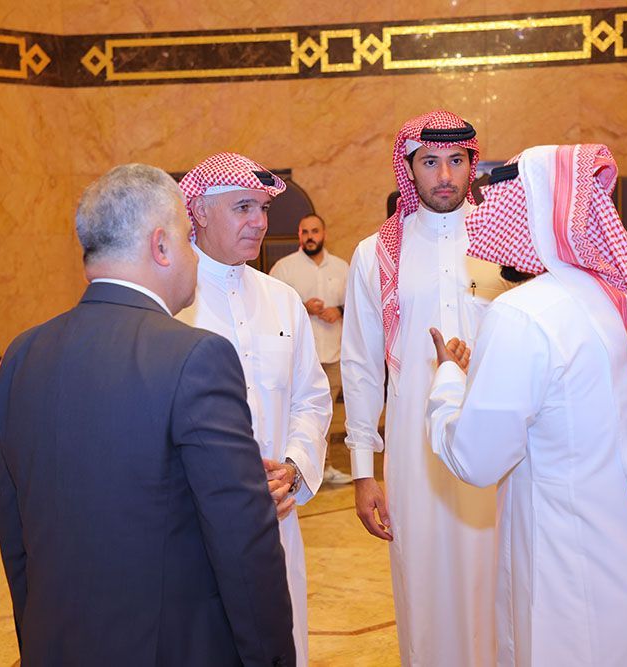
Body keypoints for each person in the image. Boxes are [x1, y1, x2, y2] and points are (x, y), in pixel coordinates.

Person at [427, 144, 627, 666]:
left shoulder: (522, 314)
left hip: (576, 577)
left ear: (531, 217)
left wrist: (450, 383)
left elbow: (475, 460)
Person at [0, 164, 296, 666]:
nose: (194, 258)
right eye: (186, 239)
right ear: (161, 246)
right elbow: (242, 542)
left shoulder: (21, 355)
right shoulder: (197, 356)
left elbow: (16, 534)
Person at [341, 110, 510, 665]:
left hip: (498, 444)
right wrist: (364, 473)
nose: (445, 175)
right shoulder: (377, 254)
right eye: (430, 162)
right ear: (408, 169)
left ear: (470, 165)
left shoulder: (506, 245)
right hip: (413, 454)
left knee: (498, 578)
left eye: (456, 162)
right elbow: (362, 365)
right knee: (423, 582)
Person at [177, 152, 332, 666]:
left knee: (281, 642)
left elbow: (311, 396)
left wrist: (293, 467)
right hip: (194, 519)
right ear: (197, 211)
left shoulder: (283, 299)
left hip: (276, 516)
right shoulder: (173, 302)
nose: (261, 222)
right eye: (244, 207)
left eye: (263, 209)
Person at [270, 213, 352, 485]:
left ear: (324, 233)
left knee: (326, 416)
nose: (310, 236)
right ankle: (293, 468)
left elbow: (358, 304)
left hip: (332, 354)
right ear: (299, 235)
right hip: (298, 360)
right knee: (294, 415)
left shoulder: (342, 267)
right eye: (304, 231)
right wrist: (304, 308)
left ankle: (324, 468)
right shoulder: (284, 268)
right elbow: (270, 310)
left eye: (314, 231)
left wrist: (337, 310)